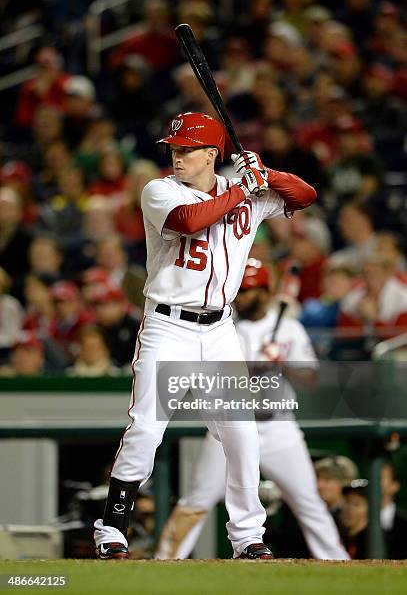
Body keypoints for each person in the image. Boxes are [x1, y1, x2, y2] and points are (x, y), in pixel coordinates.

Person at [93, 111, 316, 560]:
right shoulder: (159, 190)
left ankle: (248, 536)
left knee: (241, 433)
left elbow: (306, 195)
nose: (177, 157)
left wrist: (265, 173)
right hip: (168, 325)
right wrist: (242, 188)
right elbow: (191, 221)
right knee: (147, 429)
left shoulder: (249, 193)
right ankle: (112, 529)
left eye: (187, 150)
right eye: (174, 149)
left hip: (219, 330)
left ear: (212, 154)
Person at [155, 259, 348, 560]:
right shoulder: (219, 326)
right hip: (228, 425)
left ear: (265, 291)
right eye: (238, 290)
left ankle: (339, 562)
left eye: (248, 290)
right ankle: (163, 561)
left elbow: (311, 379)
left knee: (309, 502)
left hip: (278, 427)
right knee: (197, 499)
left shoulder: (289, 329)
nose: (241, 296)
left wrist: (282, 362)